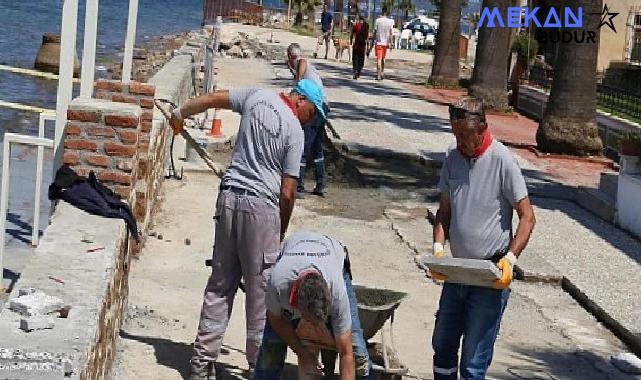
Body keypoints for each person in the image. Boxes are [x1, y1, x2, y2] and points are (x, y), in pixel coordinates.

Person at [168, 79, 327, 380]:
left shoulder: (256, 95)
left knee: (220, 285)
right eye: (313, 113)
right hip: (262, 210)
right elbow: (288, 193)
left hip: (229, 201)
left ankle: (200, 366)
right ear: (300, 100)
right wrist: (278, 232)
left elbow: (213, 98)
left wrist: (180, 113)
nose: (312, 120)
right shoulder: (294, 131)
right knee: (262, 294)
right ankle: (259, 368)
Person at [429, 96, 536, 380]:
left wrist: (510, 260)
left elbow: (527, 217)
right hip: (457, 273)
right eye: (456, 135)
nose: (460, 141)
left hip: (490, 276)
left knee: (474, 362)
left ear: (483, 128)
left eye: (465, 135)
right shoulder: (452, 159)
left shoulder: (503, 161)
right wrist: (438, 249)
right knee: (442, 346)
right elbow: (444, 213)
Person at [253, 231, 372, 380]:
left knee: (357, 352)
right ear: (296, 305)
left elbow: (346, 353)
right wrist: (302, 353)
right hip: (293, 249)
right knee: (271, 347)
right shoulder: (279, 283)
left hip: (334, 253)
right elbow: (276, 320)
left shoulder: (336, 291)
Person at [287, 43, 328, 198]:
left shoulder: (301, 63)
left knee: (303, 146)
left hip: (314, 107)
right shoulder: (306, 69)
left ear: (291, 56)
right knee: (317, 148)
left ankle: (298, 185)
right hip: (323, 107)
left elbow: (301, 67)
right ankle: (321, 183)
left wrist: (297, 82)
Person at [370, 6, 394, 80]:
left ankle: (378, 74)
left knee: (379, 59)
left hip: (379, 42)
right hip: (385, 43)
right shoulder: (390, 21)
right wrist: (391, 42)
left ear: (382, 11)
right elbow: (391, 33)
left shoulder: (377, 20)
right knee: (383, 58)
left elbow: (375, 32)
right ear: (387, 13)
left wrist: (372, 42)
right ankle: (382, 72)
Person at [350, 14, 369, 79]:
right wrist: (368, 46)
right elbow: (367, 37)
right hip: (362, 46)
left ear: (359, 19)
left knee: (355, 59)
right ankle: (358, 72)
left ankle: (355, 70)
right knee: (361, 59)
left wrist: (351, 41)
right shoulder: (366, 26)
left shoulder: (356, 25)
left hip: (356, 45)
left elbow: (352, 34)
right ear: (363, 20)